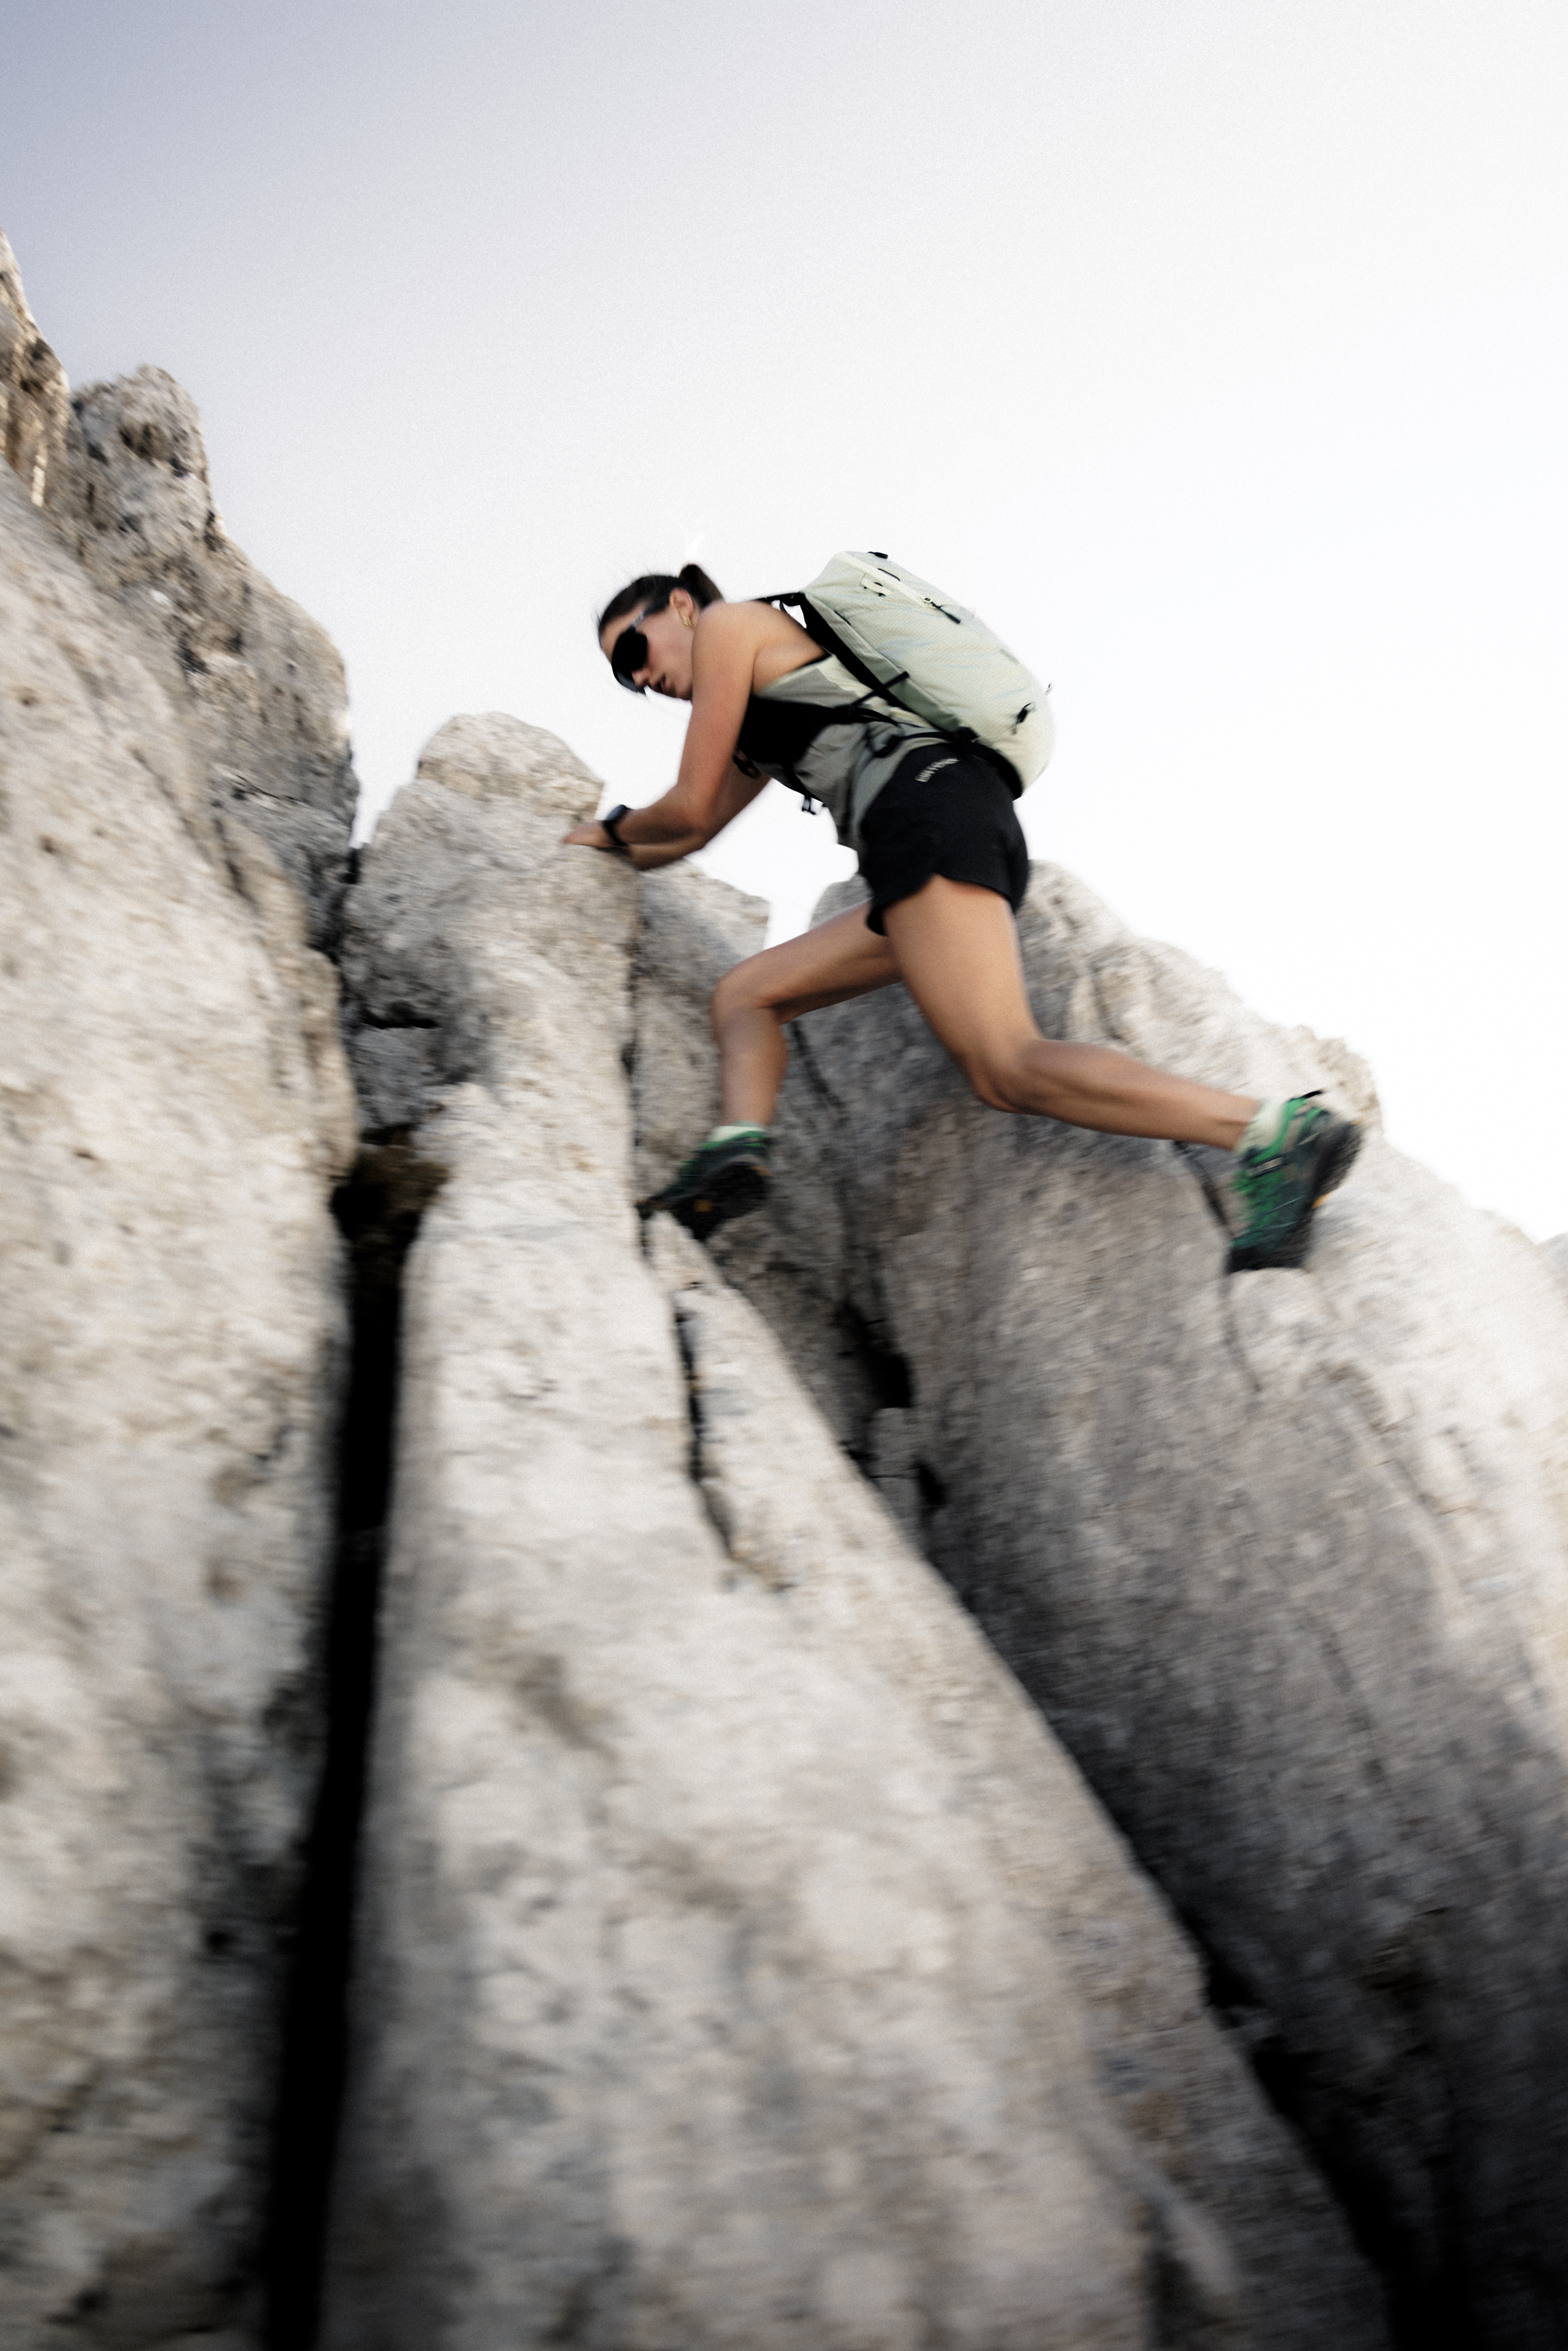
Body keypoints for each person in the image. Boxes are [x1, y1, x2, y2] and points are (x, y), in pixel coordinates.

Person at [562, 564, 1360, 1273]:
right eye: (624, 683)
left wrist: (598, 831)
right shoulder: (751, 730)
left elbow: (686, 802)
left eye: (635, 654)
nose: (642, 682)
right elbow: (691, 831)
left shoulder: (733, 625)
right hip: (934, 828)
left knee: (1005, 1065)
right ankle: (734, 1153)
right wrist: (587, 862)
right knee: (746, 995)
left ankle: (1273, 1134)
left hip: (927, 815)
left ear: (679, 606)